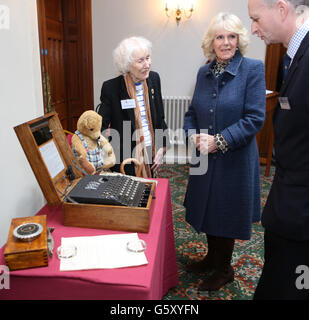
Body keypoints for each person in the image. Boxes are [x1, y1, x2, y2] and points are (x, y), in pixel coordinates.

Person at [183, 12, 266, 292]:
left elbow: (255, 119)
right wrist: (192, 134)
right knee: (207, 208)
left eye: (232, 36)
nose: (226, 42)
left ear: (239, 40)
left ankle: (224, 269)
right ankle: (211, 258)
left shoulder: (252, 69)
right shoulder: (203, 72)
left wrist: (218, 141)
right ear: (212, 41)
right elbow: (191, 113)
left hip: (235, 158)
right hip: (204, 158)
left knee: (225, 211)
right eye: (220, 36)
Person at [248, 0, 309, 300]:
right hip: (288, 208)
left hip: (301, 220)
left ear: (282, 9)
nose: (253, 28)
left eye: (256, 18)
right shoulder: (294, 55)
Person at [98, 36, 169, 177]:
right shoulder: (111, 87)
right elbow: (102, 126)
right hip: (125, 157)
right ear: (127, 65)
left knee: (149, 192)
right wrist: (108, 153)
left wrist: (161, 147)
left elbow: (160, 118)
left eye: (148, 58)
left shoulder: (154, 79)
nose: (147, 64)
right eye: (140, 61)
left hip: (151, 152)